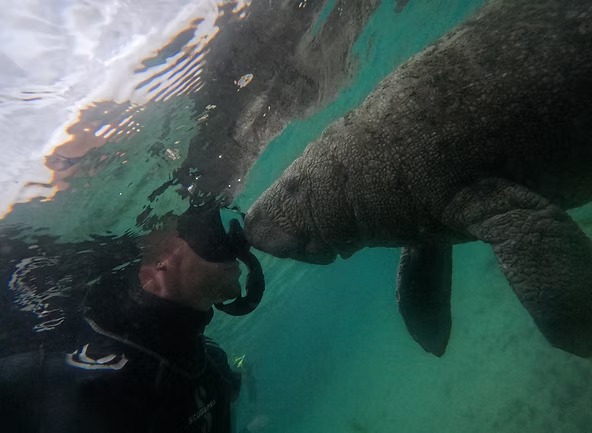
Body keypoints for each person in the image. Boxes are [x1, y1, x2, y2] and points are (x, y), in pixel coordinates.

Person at [0, 206, 265, 433]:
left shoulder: (210, 364)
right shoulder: (87, 384)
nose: (236, 245)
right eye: (211, 235)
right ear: (162, 260)